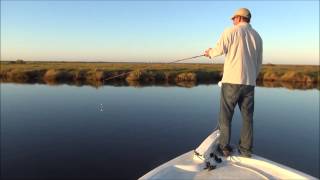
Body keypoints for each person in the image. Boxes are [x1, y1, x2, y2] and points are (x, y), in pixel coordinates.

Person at [204, 8, 263, 157]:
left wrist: (209, 53)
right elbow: (258, 62)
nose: (232, 20)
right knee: (247, 119)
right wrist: (251, 78)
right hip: (249, 84)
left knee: (225, 117)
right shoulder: (257, 37)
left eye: (233, 18)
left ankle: (224, 147)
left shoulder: (230, 31)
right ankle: (246, 151)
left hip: (231, 82)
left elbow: (218, 50)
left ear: (239, 18)